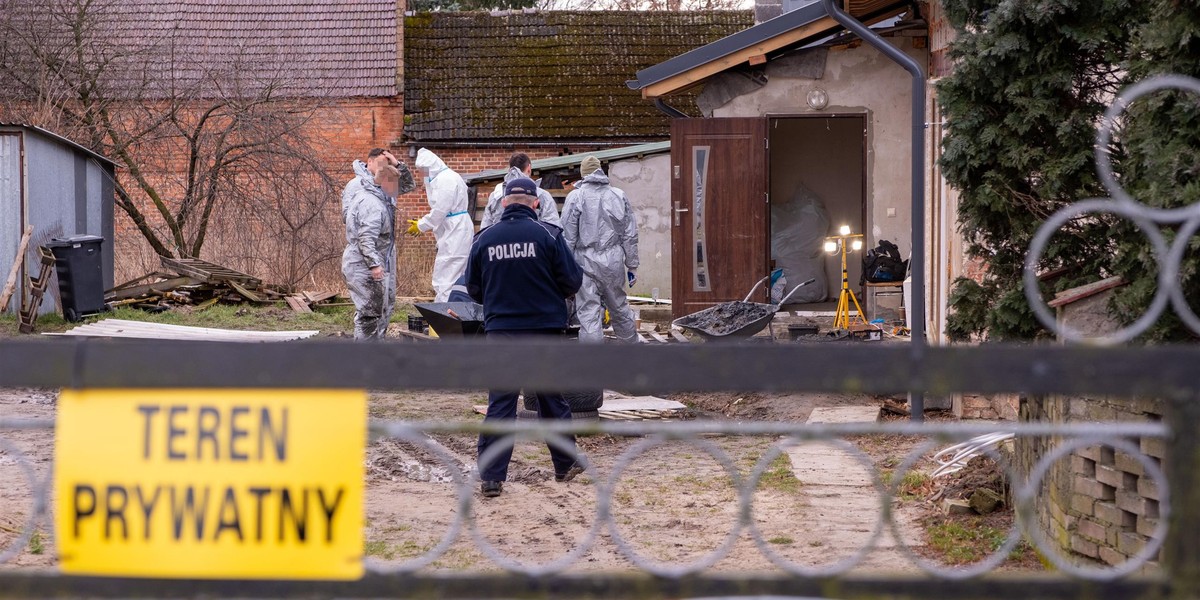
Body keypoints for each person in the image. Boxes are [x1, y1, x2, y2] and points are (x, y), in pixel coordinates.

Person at [465, 177, 585, 498]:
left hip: (501, 332)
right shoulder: (548, 235)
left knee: (501, 403)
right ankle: (565, 464)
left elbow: (473, 289)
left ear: (504, 202)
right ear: (535, 203)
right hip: (543, 333)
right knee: (549, 398)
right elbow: (572, 281)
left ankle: (491, 477)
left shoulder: (484, 239)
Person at [561, 156, 640, 343]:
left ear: (583, 174)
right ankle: (633, 351)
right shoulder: (618, 195)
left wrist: (565, 268)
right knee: (619, 306)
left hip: (584, 262)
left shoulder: (575, 197)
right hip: (612, 260)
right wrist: (632, 265)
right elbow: (629, 234)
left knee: (588, 311)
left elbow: (568, 237)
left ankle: (592, 361)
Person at [342, 165, 403, 340]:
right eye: (395, 184)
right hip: (363, 265)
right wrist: (374, 265)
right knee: (368, 315)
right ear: (385, 182)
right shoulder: (373, 205)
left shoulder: (372, 197)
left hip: (363, 261)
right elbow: (366, 238)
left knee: (373, 312)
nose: (397, 188)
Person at [409, 149, 473, 302]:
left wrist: (422, 225)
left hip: (456, 231)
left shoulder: (446, 180)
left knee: (447, 274)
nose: (421, 175)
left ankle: (445, 313)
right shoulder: (443, 177)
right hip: (454, 230)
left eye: (422, 171)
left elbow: (440, 210)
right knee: (449, 271)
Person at [480, 153, 560, 228]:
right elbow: (552, 228)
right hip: (534, 241)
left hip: (498, 241)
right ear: (529, 168)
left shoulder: (495, 195)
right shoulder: (542, 195)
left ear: (510, 170)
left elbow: (485, 228)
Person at [341, 148, 415, 215]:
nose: (384, 166)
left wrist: (397, 164)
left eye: (387, 164)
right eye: (381, 162)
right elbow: (347, 215)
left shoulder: (387, 183)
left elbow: (408, 185)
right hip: (367, 229)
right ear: (370, 161)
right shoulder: (356, 184)